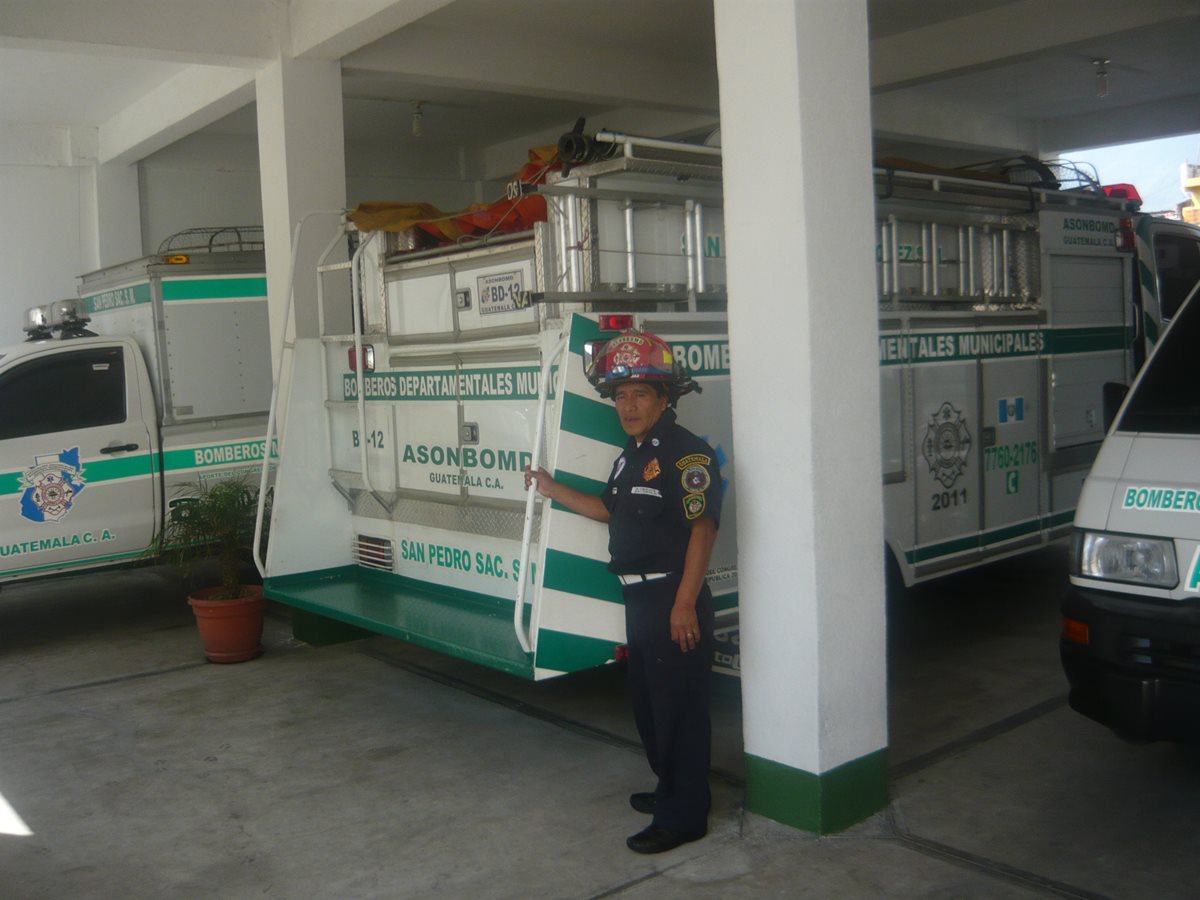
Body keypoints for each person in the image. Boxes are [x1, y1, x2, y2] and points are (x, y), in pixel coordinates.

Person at [524, 329, 721, 854]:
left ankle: (685, 816)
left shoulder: (689, 457)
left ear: (664, 398)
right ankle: (671, 789)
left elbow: (703, 531)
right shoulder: (630, 454)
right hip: (639, 601)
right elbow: (608, 510)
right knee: (651, 708)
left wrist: (683, 603)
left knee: (679, 709)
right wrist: (551, 487)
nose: (627, 406)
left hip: (672, 601)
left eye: (639, 395)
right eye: (620, 396)